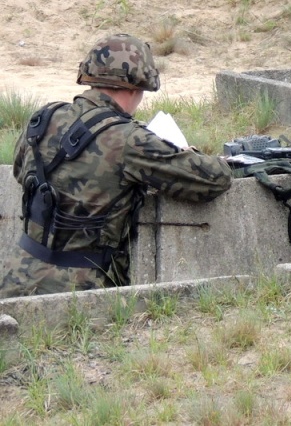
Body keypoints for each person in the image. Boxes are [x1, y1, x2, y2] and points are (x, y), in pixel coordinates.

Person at [1, 34, 232, 298]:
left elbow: (21, 171)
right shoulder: (129, 139)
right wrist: (193, 155)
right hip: (80, 291)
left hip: (15, 277)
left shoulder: (43, 117)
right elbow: (213, 180)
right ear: (136, 87)